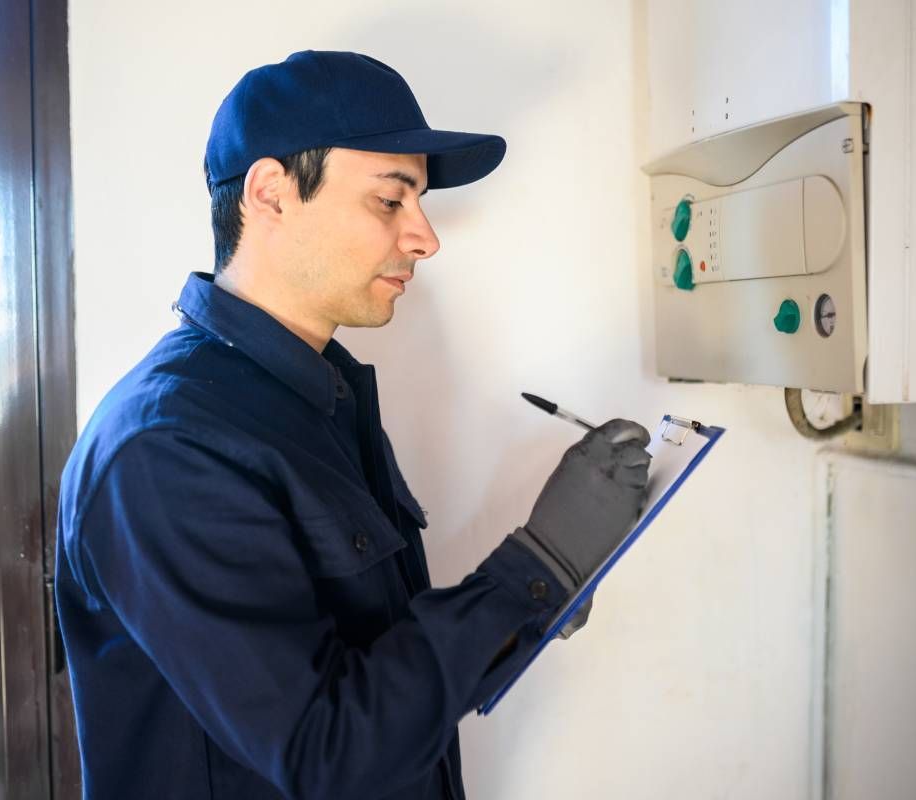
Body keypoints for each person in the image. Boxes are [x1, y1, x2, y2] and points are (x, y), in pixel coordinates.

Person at [54, 50, 652, 800]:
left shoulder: (317, 394)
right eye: (390, 200)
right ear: (270, 194)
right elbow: (323, 753)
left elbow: (376, 665)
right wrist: (533, 570)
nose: (426, 238)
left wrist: (536, 603)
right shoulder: (169, 448)